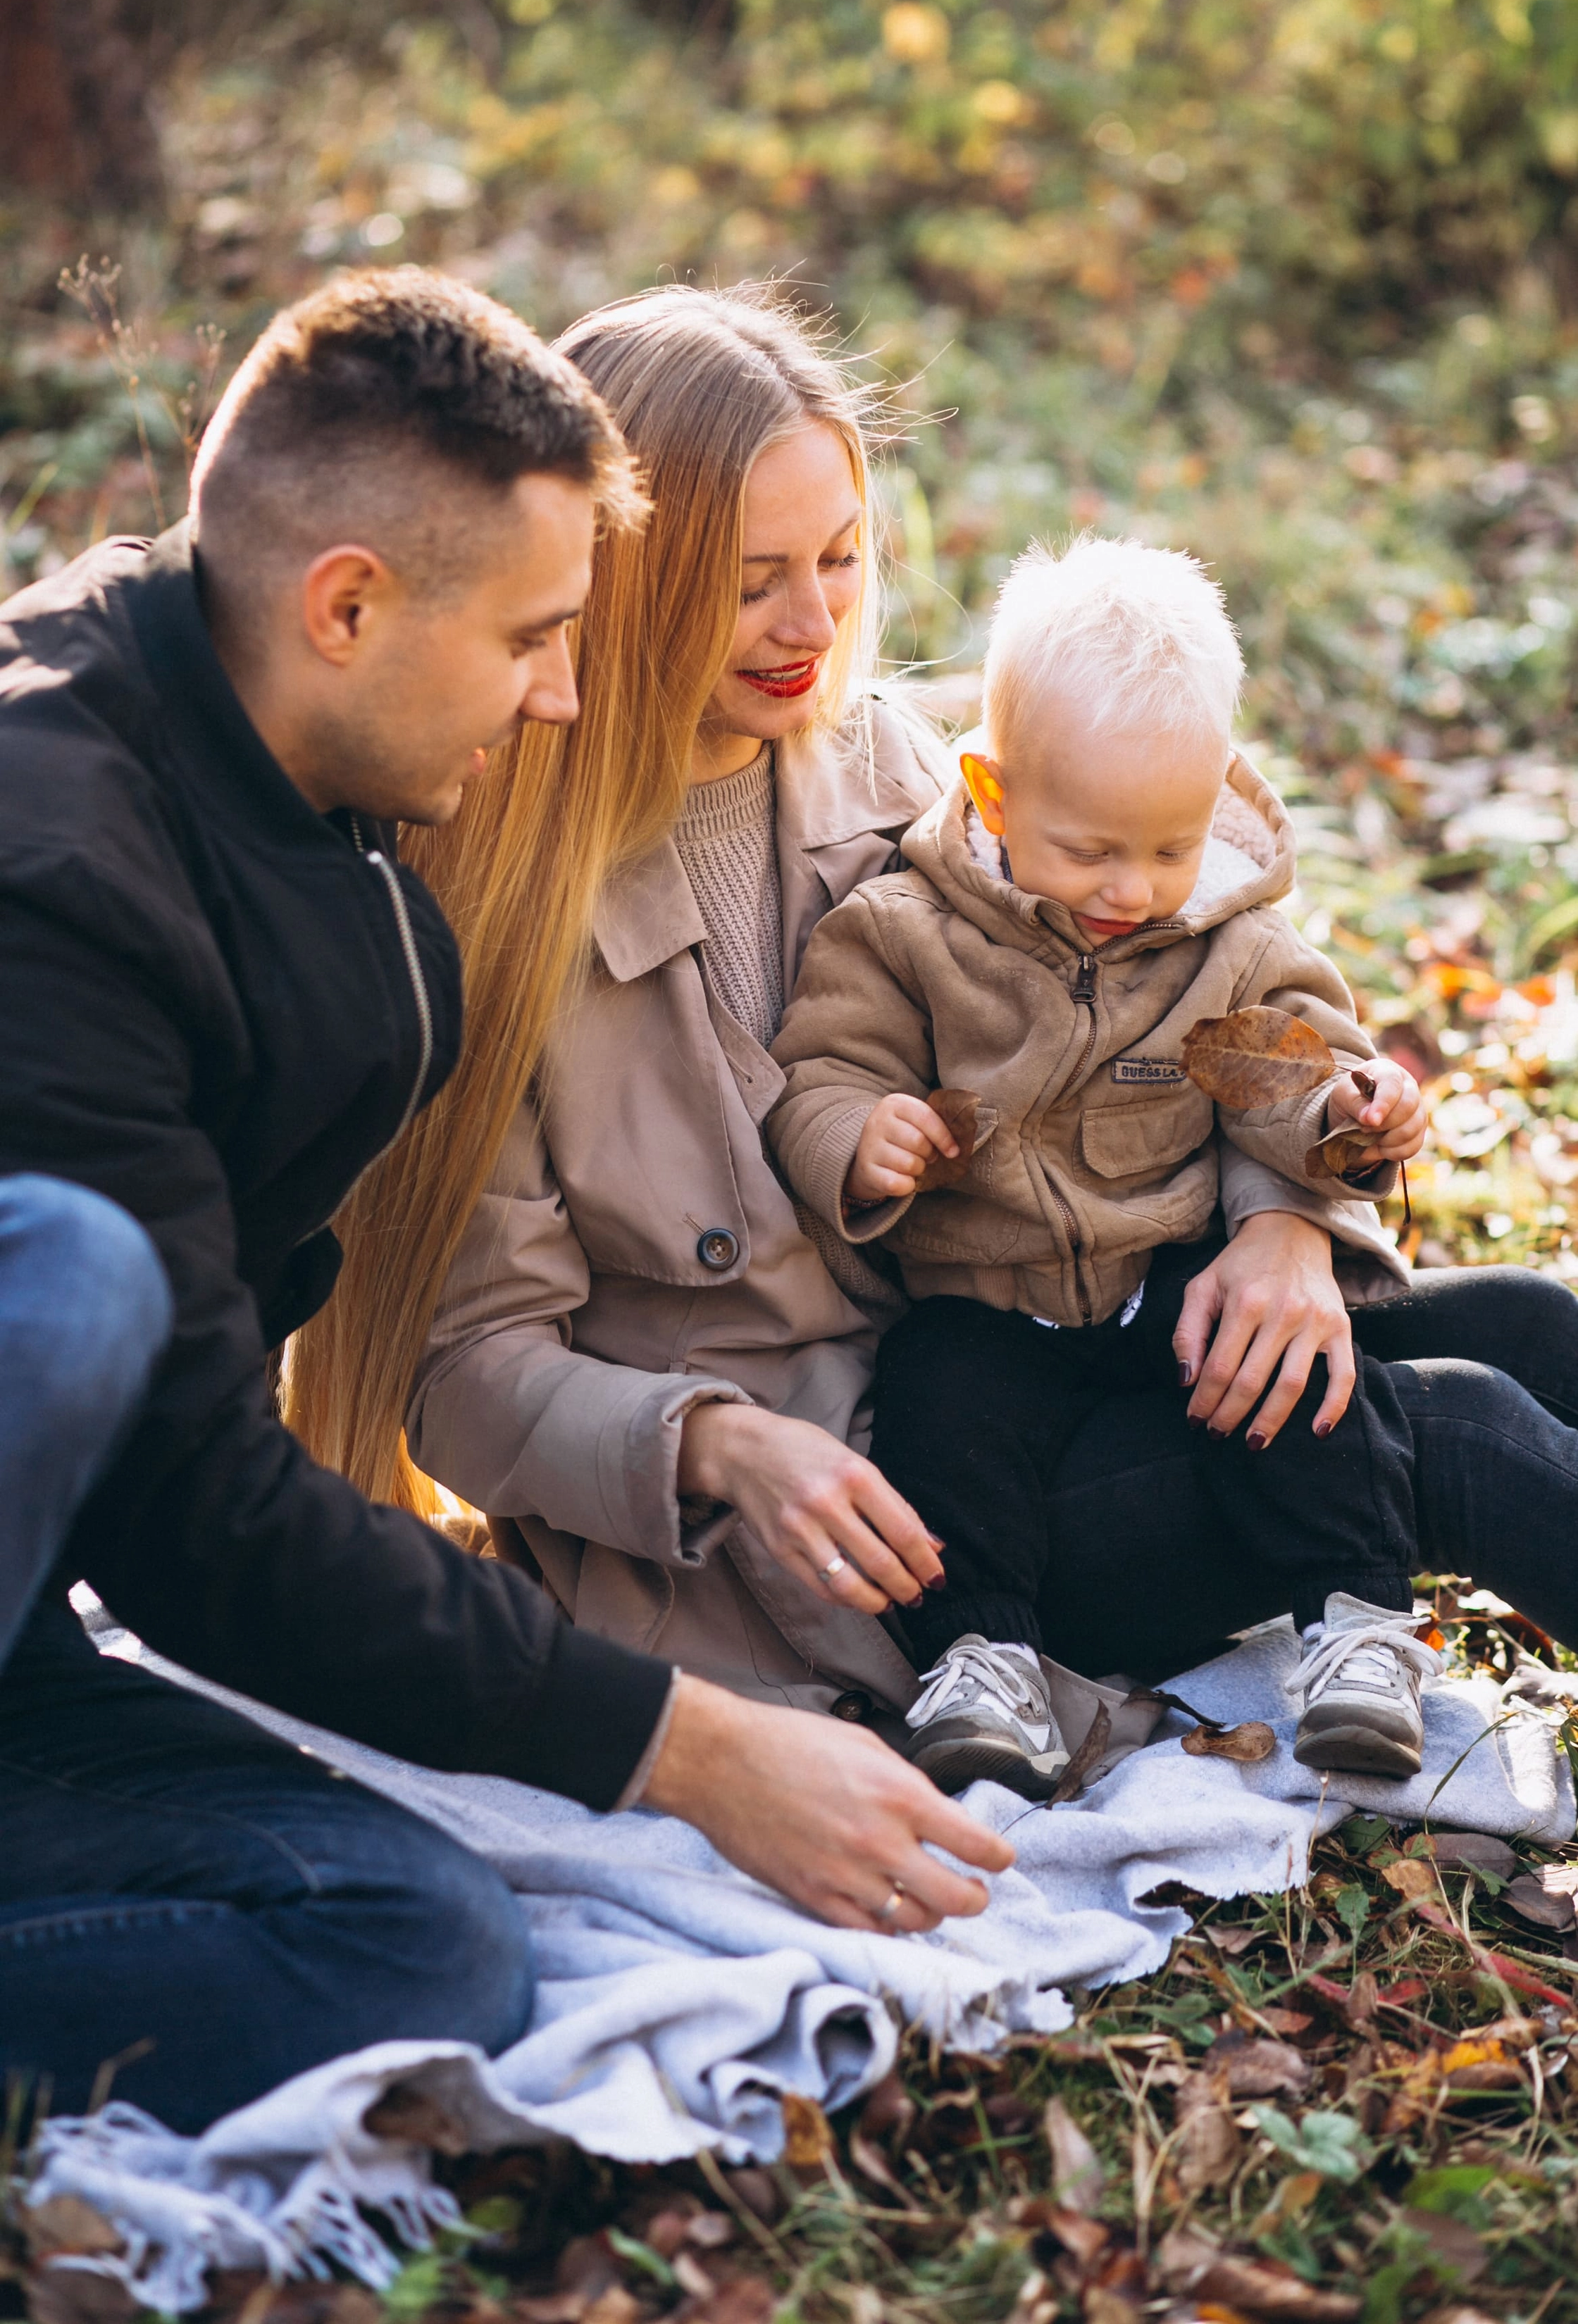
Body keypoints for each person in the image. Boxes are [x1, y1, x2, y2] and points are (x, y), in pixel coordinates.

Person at [0, 268, 1011, 2134]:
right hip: (86, 1462)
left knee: (425, 1950)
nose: (567, 690)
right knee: (69, 1281)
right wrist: (689, 1750)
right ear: (351, 606)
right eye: (541, 634)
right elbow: (204, 1510)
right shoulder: (55, 875)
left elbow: (167, 1511)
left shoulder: (287, 776)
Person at [297, 286, 1394, 1761]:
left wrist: (1286, 1222)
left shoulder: (907, 773)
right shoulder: (486, 902)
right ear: (613, 574)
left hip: (1036, 1384)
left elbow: (1184, 985)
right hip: (837, 1549)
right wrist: (718, 1447)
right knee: (1441, 1441)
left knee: (1510, 1334)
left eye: (836, 558)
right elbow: (459, 1375)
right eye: (749, 579)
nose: (811, 622)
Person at [769, 535, 1436, 1792]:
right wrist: (861, 1139)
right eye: (1090, 852)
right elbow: (821, 1072)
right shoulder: (904, 934)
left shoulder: (1222, 942)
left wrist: (1354, 1117)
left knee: (1283, 1361)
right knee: (936, 1404)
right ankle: (988, 1664)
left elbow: (1294, 1081)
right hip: (988, 1301)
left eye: (1171, 847)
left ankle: (1357, 1620)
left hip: (1159, 1273)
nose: (1135, 890)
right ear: (997, 794)